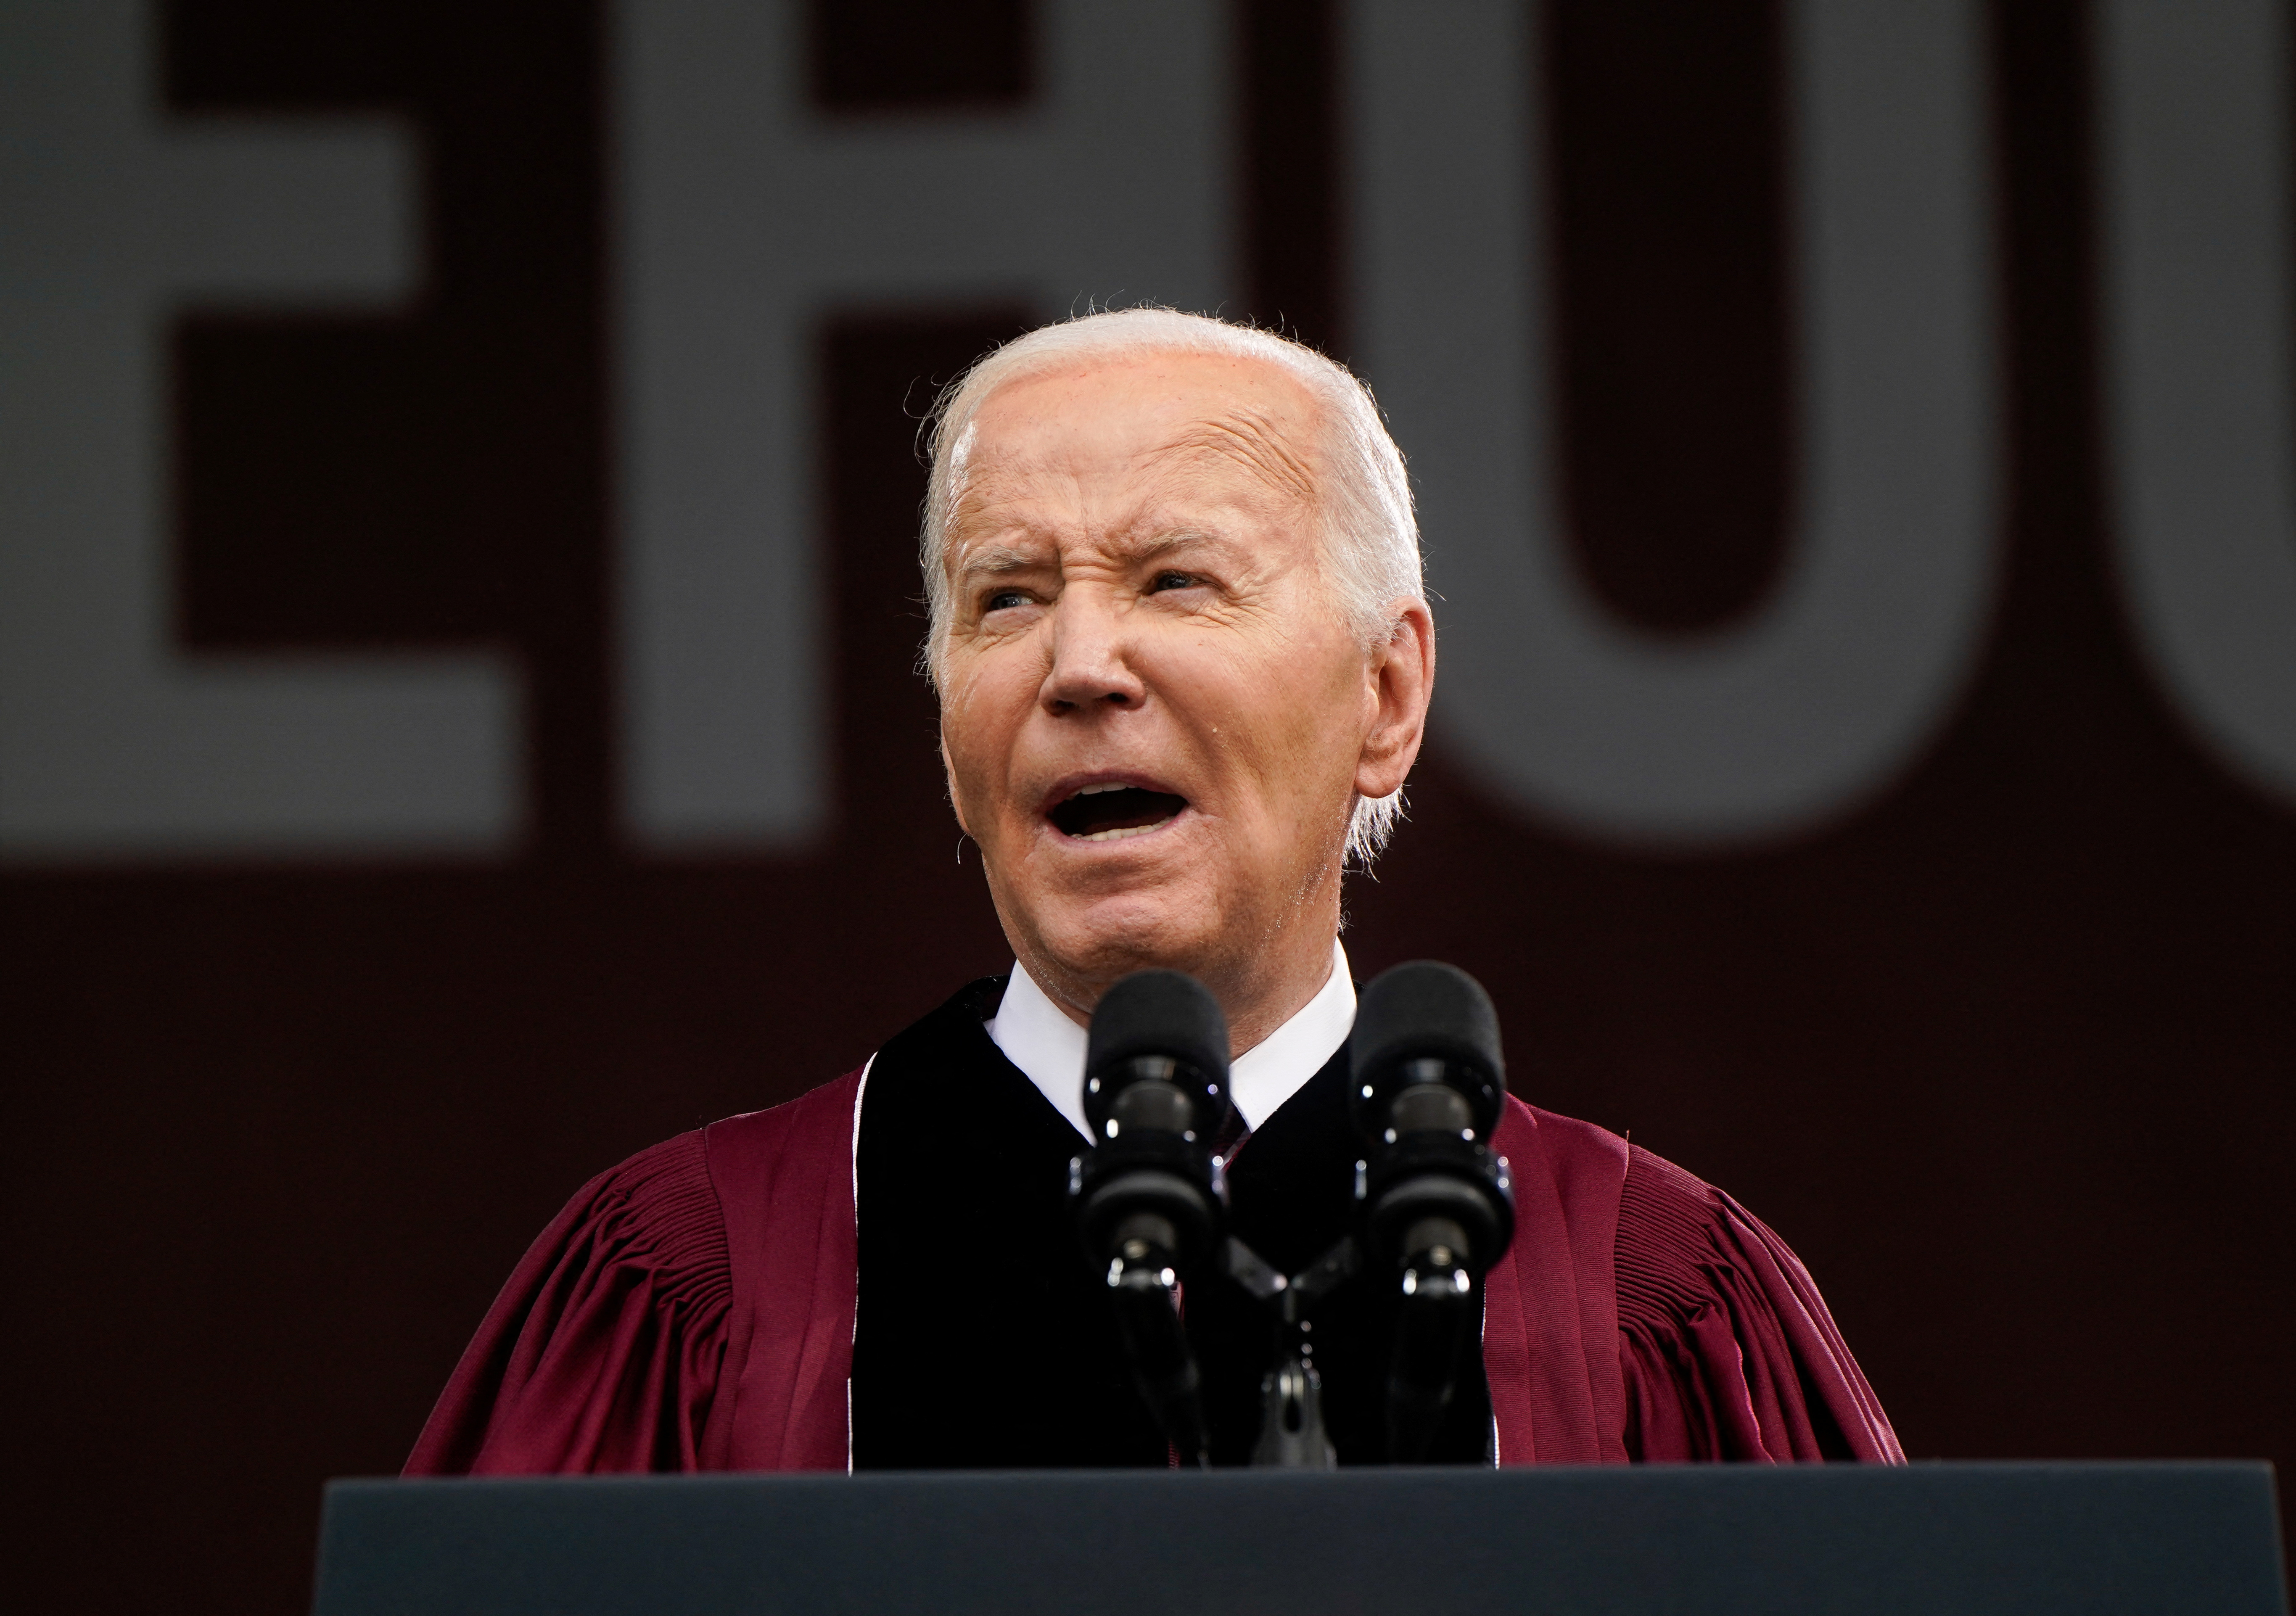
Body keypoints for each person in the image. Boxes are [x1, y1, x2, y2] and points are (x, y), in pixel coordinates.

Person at [407, 309, 1902, 1474]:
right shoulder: (700, 1287)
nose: (1078, 666)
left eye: (1176, 580)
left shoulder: (1643, 1303)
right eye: (1006, 597)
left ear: (1386, 696)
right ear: (947, 730)